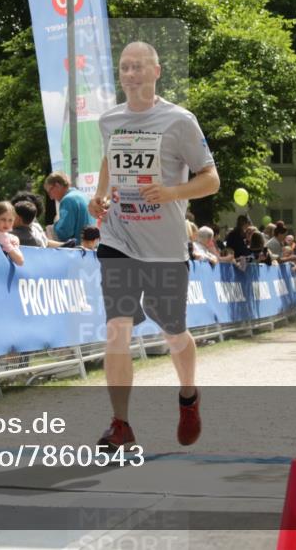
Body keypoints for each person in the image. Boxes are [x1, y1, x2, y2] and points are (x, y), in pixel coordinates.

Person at [87, 41, 220, 450]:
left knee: (174, 333)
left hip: (164, 247)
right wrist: (100, 195)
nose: (130, 74)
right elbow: (110, 160)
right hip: (118, 239)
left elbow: (211, 179)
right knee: (117, 329)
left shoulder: (180, 121)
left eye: (139, 67)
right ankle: (120, 424)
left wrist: (171, 192)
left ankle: (188, 396)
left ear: (157, 71)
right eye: (125, 68)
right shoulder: (110, 120)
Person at [43, 171, 95, 243]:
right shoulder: (83, 195)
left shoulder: (67, 200)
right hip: (90, 246)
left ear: (57, 185)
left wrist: (52, 228)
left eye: (49, 191)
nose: (51, 197)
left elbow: (64, 233)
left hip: (77, 247)